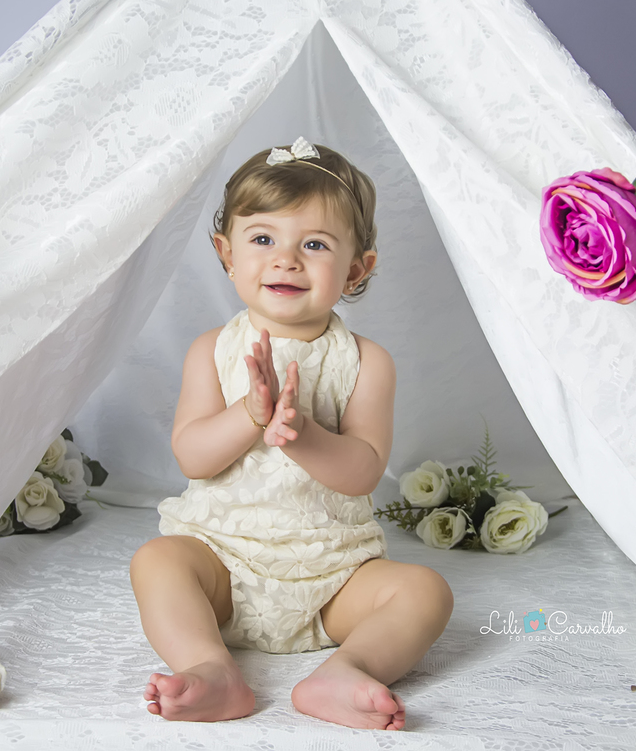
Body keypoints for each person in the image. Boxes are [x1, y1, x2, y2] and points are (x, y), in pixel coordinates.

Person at [129, 138, 454, 731]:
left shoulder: (367, 362)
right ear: (226, 254)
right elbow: (191, 457)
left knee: (426, 590)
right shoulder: (212, 351)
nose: (285, 260)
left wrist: (300, 433)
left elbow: (363, 469)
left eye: (314, 244)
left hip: (333, 576)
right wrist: (249, 417)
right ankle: (211, 667)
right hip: (222, 565)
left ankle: (345, 669)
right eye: (262, 240)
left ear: (357, 268)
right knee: (156, 561)